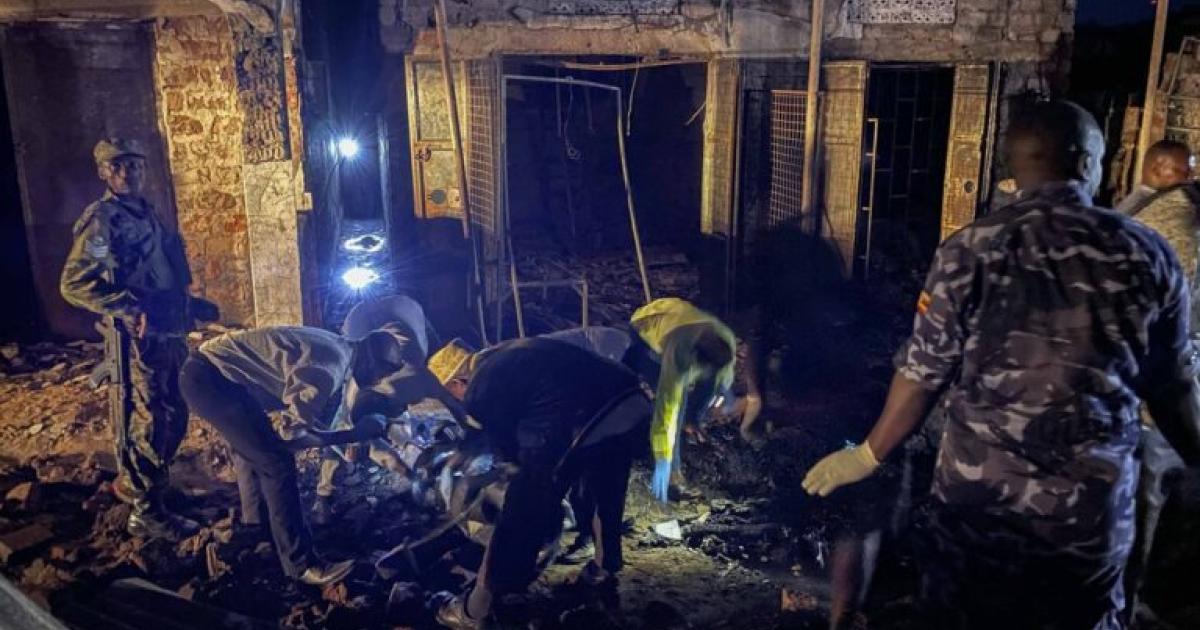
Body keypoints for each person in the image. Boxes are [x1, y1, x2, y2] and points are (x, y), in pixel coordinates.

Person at [802, 100, 1200, 629]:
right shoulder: (1146, 251)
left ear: (1013, 169)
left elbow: (922, 374)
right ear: (1088, 163)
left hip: (977, 511)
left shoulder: (969, 250)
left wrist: (869, 454)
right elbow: (1173, 386)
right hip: (1086, 520)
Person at [178, 325, 453, 585]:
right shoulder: (329, 370)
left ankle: (255, 530)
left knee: (254, 449)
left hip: (215, 372)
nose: (380, 381)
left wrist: (351, 437)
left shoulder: (339, 349)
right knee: (277, 463)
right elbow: (291, 439)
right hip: (210, 380)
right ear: (371, 361)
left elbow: (310, 424)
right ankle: (301, 565)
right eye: (382, 373)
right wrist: (354, 434)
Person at [431, 338, 651, 630]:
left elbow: (506, 446)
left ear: (458, 381)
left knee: (520, 512)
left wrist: (515, 476)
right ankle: (603, 568)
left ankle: (478, 608)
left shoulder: (479, 385)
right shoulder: (509, 351)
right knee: (605, 489)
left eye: (452, 393)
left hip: (578, 420)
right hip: (631, 401)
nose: (458, 400)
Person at [60, 138, 218, 539]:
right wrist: (128, 308)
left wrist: (190, 305)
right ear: (103, 173)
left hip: (168, 330)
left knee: (175, 413)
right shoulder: (102, 220)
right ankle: (144, 510)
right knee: (149, 423)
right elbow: (75, 283)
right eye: (117, 166)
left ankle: (149, 488)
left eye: (134, 165)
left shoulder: (147, 212)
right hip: (139, 339)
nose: (127, 172)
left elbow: (160, 268)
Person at [1122, 170, 1200, 621]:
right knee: (1148, 503)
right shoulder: (1178, 229)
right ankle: (1131, 605)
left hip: (1151, 397)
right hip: (1154, 405)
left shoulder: (1172, 213)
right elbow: (1171, 350)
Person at [627, 297, 739, 502]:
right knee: (677, 407)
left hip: (678, 317)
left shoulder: (725, 340)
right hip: (644, 327)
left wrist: (724, 397)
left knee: (709, 383)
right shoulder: (678, 351)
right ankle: (673, 477)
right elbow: (667, 409)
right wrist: (663, 458)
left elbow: (723, 375)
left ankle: (692, 421)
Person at [1116, 139, 1195, 215]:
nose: (1190, 179)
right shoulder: (1151, 209)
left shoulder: (1138, 204)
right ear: (1157, 170)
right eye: (1184, 173)